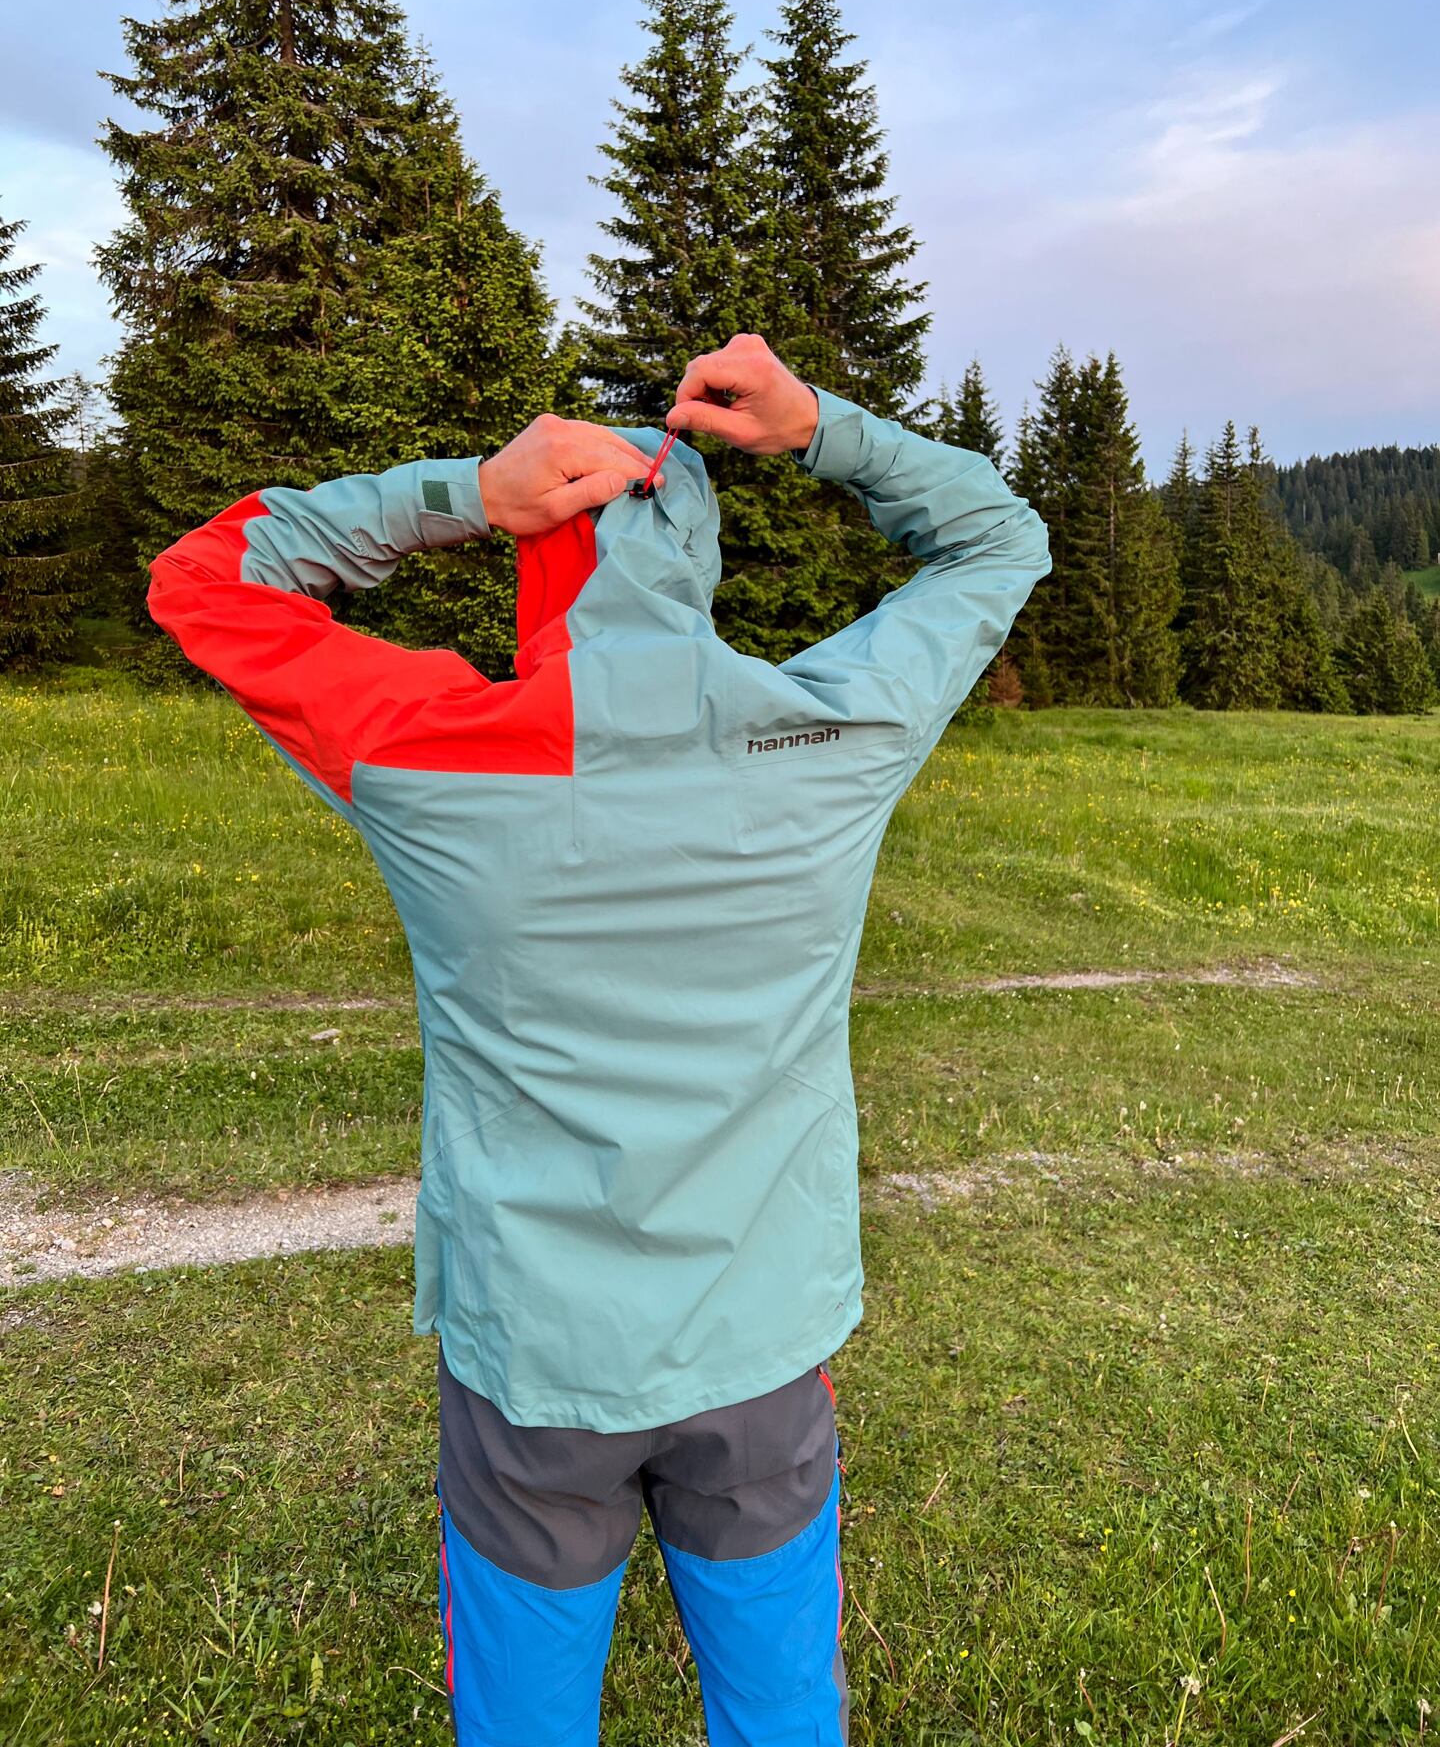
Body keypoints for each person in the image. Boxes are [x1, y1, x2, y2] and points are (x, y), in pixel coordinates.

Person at [147, 334, 1049, 1746]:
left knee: (525, 1715)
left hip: (534, 1361)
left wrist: (461, 493)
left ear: (536, 558)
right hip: (761, 1343)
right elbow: (999, 538)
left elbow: (203, 581)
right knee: (781, 1710)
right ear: (698, 559)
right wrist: (815, 427)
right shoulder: (834, 735)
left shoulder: (430, 751)